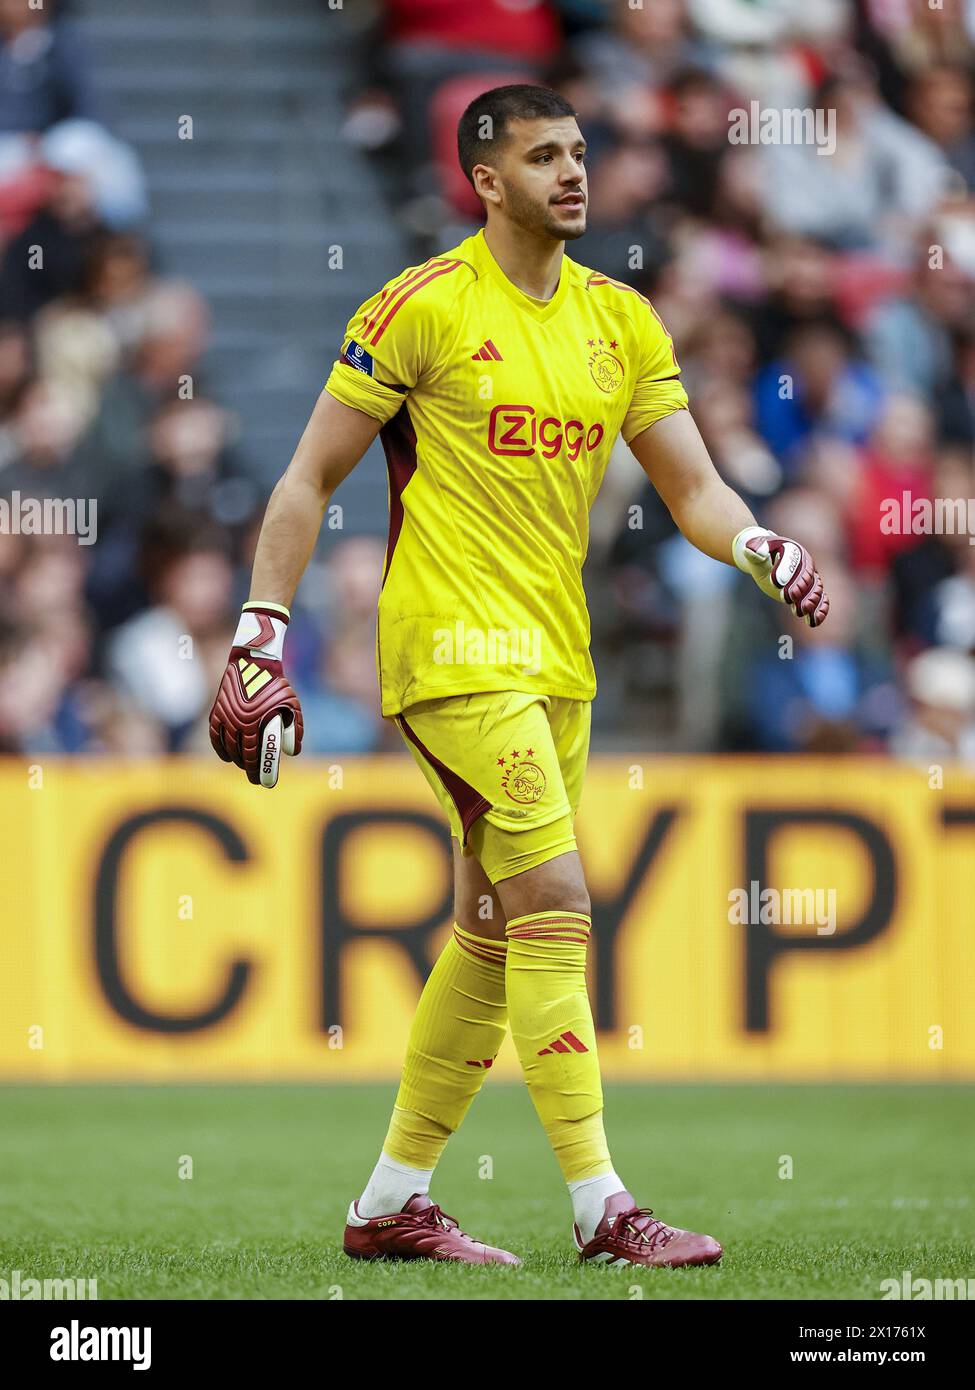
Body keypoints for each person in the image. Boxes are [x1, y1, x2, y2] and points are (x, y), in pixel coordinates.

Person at [207, 84, 829, 1269]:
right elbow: (305, 480)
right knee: (558, 902)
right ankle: (604, 1206)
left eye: (582, 151)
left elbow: (694, 486)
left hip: (558, 659)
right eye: (546, 156)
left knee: (491, 933)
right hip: (448, 652)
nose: (575, 172)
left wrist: (757, 539)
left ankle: (391, 1200)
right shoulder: (421, 307)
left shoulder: (621, 320)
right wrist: (260, 629)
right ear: (485, 181)